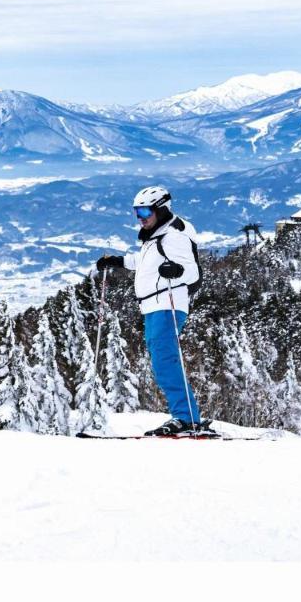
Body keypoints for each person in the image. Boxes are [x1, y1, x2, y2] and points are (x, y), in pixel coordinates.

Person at [96, 185, 206, 437]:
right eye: (137, 211)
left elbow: (192, 271)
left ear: (161, 209)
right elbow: (145, 262)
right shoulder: (156, 236)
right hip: (154, 306)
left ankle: (187, 418)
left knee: (165, 360)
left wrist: (176, 271)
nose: (140, 216)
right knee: (162, 361)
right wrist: (117, 261)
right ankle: (185, 416)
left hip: (167, 304)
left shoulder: (173, 236)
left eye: (145, 210)